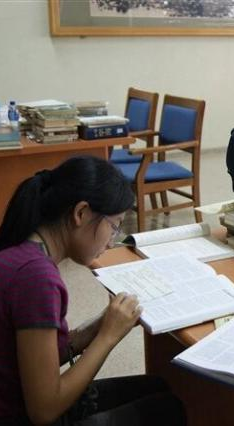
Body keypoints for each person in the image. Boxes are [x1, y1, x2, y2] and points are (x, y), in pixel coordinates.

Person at [0, 156, 186, 425]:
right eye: (114, 226)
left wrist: (98, 326)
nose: (111, 242)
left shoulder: (22, 252)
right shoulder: (36, 278)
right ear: (81, 213)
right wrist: (108, 336)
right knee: (168, 409)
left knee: (157, 385)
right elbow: (44, 410)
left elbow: (34, 358)